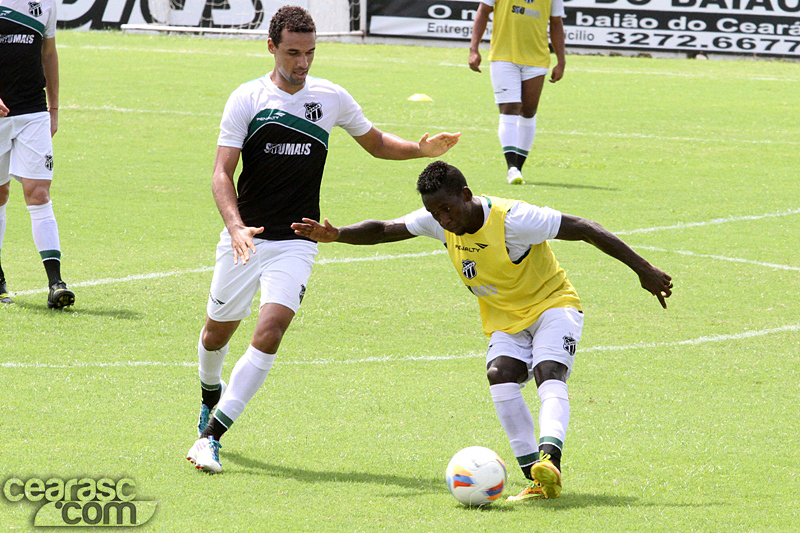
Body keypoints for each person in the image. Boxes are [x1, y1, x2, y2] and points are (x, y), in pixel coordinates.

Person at [292, 160, 673, 500]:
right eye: (433, 211)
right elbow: (383, 230)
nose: (442, 219)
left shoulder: (515, 219)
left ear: (466, 195)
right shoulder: (440, 222)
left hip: (553, 305)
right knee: (500, 376)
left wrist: (644, 270)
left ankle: (549, 457)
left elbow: (586, 228)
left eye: (446, 208)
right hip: (505, 319)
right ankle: (538, 479)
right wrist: (338, 234)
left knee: (548, 371)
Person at [185, 6, 460, 474]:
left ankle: (210, 439)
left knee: (270, 330)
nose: (302, 63)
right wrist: (234, 227)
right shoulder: (247, 99)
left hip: (298, 240)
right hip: (245, 238)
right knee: (215, 335)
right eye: (293, 53)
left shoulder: (329, 98)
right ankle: (209, 398)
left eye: (310, 53)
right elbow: (220, 173)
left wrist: (419, 149)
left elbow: (374, 142)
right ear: (271, 47)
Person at [0, 0, 74, 308]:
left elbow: (48, 53)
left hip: (33, 112)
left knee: (39, 192)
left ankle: (56, 282)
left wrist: (54, 107)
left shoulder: (46, 4)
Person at [468, 0, 566, 185]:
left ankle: (518, 167)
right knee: (510, 107)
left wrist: (561, 60)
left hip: (537, 58)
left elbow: (556, 22)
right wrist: (474, 49)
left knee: (528, 111)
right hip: (503, 57)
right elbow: (483, 11)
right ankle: (511, 167)